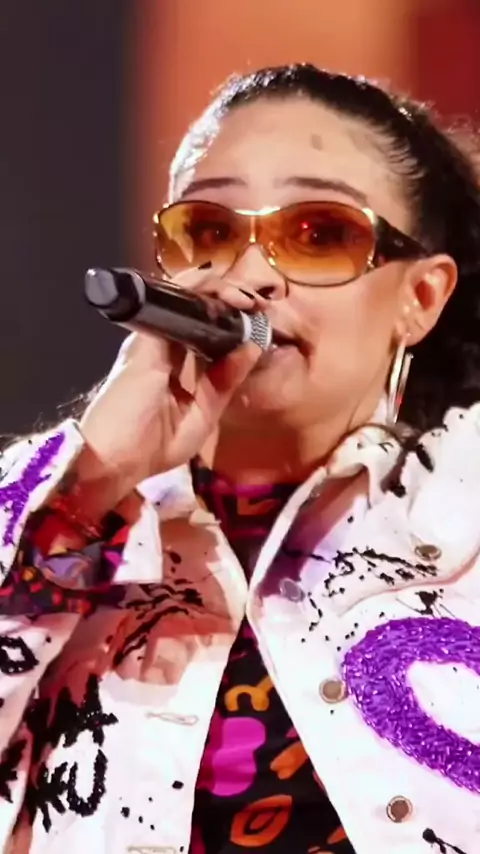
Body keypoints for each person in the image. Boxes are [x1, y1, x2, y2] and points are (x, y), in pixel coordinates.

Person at [0, 63, 479, 854]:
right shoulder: (48, 507)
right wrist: (91, 480)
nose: (251, 275)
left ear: (420, 298)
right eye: (212, 231)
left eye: (319, 234)